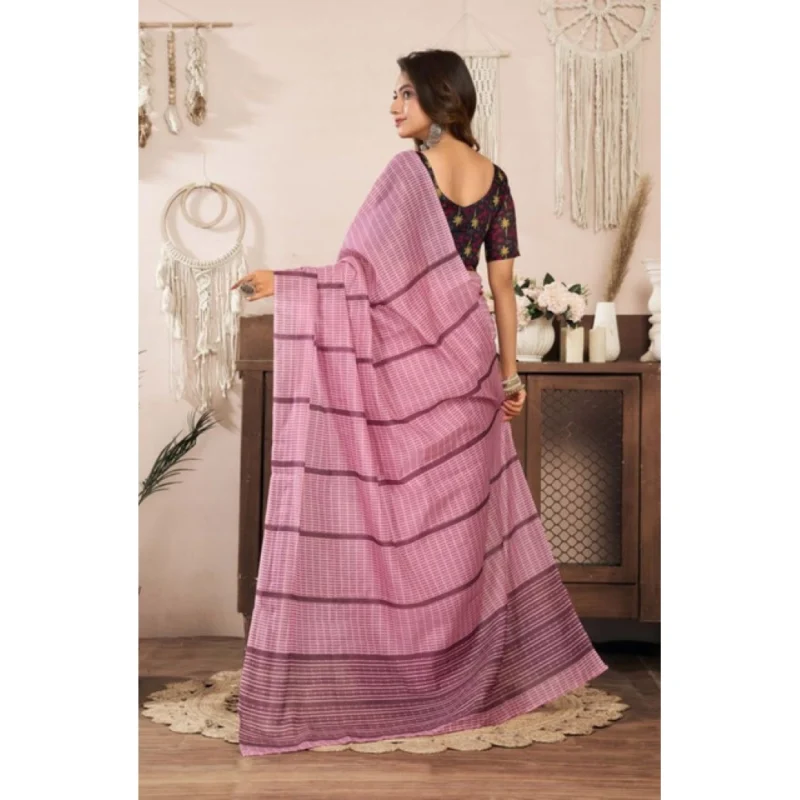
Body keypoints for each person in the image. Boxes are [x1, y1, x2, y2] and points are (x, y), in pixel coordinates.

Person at [232, 49, 606, 757]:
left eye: (406, 93)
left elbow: (359, 277)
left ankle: (411, 677)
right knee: (454, 534)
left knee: (408, 524)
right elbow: (500, 289)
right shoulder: (496, 180)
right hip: (467, 363)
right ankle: (449, 673)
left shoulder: (408, 174)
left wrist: (285, 280)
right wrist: (510, 377)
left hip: (408, 365)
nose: (394, 106)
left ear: (441, 98)